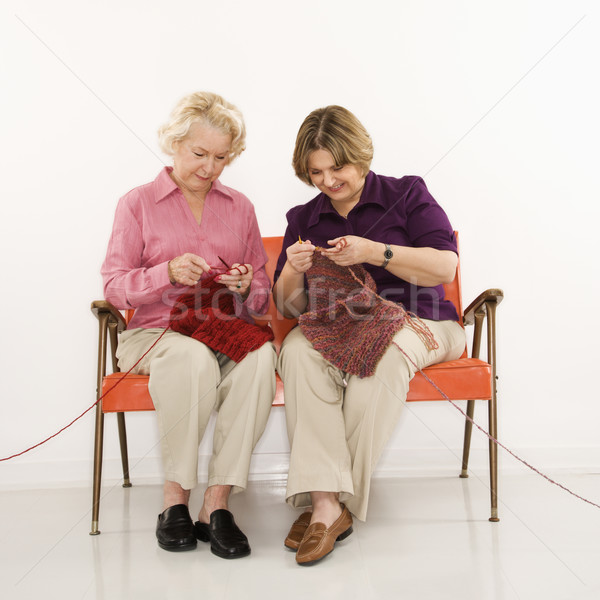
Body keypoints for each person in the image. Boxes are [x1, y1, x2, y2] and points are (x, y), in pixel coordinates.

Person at [273, 105, 466, 565]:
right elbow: (286, 308)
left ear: (360, 154)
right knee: (298, 350)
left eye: (336, 167)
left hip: (424, 322)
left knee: (385, 347)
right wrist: (292, 273)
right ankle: (327, 504)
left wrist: (377, 252)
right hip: (340, 327)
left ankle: (328, 504)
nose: (327, 180)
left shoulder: (407, 193)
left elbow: (446, 266)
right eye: (315, 171)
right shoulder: (304, 218)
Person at [102, 92, 276, 558]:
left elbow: (262, 290)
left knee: (261, 356)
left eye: (221, 157)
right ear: (174, 144)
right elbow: (115, 286)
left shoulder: (239, 207)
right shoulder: (137, 203)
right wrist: (166, 273)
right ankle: (174, 499)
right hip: (155, 334)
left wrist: (245, 286)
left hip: (222, 328)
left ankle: (216, 504)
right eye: (199, 154)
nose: (210, 167)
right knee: (191, 355)